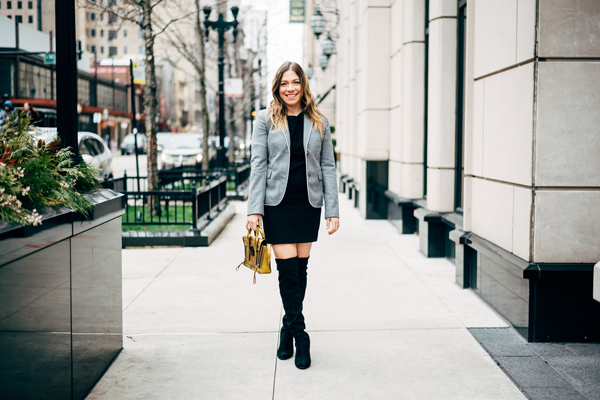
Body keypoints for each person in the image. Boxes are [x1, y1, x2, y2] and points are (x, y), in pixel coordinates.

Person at [246, 61, 340, 370]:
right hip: (277, 205)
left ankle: (286, 330)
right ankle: (302, 337)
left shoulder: (319, 121)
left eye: (295, 82)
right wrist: (254, 210)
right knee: (287, 273)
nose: (290, 88)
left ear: (303, 85)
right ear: (278, 86)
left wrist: (332, 210)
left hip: (308, 205)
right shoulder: (265, 120)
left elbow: (328, 166)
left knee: (300, 272)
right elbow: (259, 164)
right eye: (284, 83)